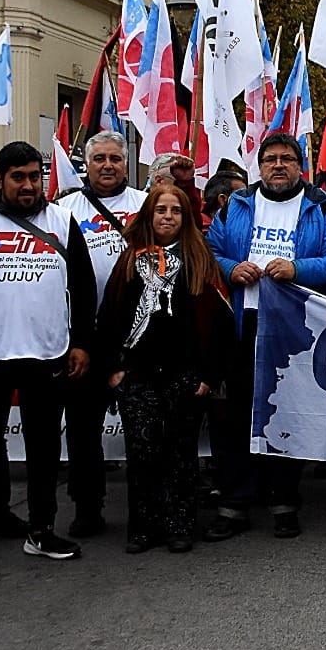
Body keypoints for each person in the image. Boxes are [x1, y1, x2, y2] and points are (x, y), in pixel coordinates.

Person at [0, 141, 96, 572]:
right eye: (18, 177)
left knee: (44, 449)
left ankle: (41, 530)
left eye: (34, 176)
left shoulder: (62, 222)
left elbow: (82, 288)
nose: (27, 185)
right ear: (0, 180)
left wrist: (81, 343)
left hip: (47, 355)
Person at [206, 131, 326, 541]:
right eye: (270, 159)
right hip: (243, 323)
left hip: (294, 328)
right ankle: (235, 502)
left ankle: (284, 498)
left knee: (287, 412)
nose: (278, 165)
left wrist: (298, 270)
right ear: (260, 165)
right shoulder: (236, 204)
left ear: (300, 166)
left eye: (287, 158)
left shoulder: (323, 207)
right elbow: (208, 252)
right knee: (234, 415)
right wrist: (232, 268)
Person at [95, 185, 232, 554]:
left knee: (180, 452)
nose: (168, 216)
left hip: (185, 375)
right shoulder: (128, 261)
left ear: (186, 218)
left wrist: (209, 375)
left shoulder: (201, 261)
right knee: (142, 451)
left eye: (175, 211)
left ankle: (179, 525)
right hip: (137, 375)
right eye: (161, 210)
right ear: (149, 216)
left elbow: (219, 324)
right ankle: (144, 527)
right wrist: (113, 370)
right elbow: (110, 319)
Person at [54, 130, 147, 538]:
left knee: (143, 427)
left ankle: (147, 507)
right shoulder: (63, 210)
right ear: (86, 165)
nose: (107, 165)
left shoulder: (145, 205)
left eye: (115, 158)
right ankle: (87, 506)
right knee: (82, 427)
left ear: (126, 164)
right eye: (99, 159)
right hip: (85, 337)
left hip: (139, 337)